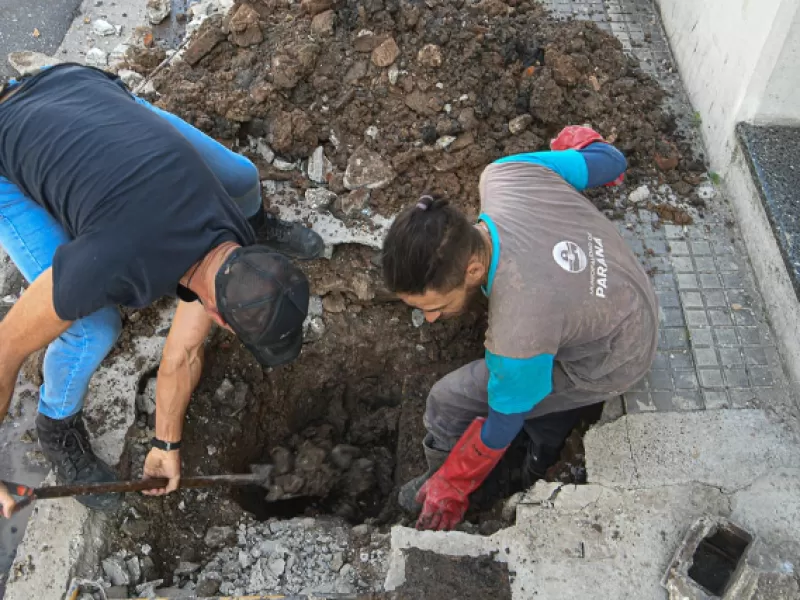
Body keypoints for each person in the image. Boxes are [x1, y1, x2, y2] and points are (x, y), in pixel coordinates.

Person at [0, 63, 323, 517]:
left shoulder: (232, 235)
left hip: (84, 96)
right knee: (93, 330)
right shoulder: (112, 261)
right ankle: (57, 428)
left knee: (240, 177)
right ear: (220, 317)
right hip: (17, 133)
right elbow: (5, 347)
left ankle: (262, 217)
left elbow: (183, 353)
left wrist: (165, 444)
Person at [381, 126, 658, 531]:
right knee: (525, 390)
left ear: (473, 269)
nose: (431, 319)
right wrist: (575, 148)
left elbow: (502, 423)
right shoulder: (508, 174)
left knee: (449, 400)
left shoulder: (519, 334)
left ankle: (477, 479)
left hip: (615, 356)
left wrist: (455, 483)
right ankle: (536, 445)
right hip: (624, 290)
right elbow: (612, 162)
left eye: (435, 307)